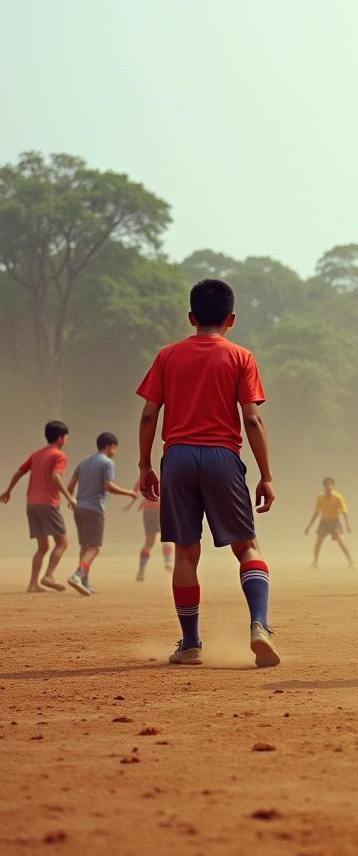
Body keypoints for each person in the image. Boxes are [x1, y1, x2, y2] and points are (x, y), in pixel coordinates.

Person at [136, 278, 280, 668]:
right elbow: (252, 419)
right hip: (222, 456)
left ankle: (191, 643)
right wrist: (265, 474)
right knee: (247, 546)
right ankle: (260, 626)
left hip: (178, 457)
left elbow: (150, 412)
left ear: (191, 317)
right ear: (231, 319)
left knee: (186, 552)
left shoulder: (167, 356)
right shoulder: (241, 357)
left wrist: (145, 464)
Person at [0, 420, 77, 593]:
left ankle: (33, 584)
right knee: (62, 543)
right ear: (60, 438)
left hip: (32, 504)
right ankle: (48, 575)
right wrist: (70, 497)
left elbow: (19, 472)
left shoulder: (36, 454)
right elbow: (56, 477)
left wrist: (8, 491)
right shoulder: (59, 455)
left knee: (43, 547)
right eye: (66, 437)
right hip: (48, 504)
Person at [65, 431, 135, 595]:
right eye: (115, 448)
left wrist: (72, 500)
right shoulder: (107, 463)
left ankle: (84, 582)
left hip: (79, 508)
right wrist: (129, 493)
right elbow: (108, 486)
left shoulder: (83, 463)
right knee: (95, 547)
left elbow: (70, 487)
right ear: (111, 446)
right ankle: (77, 575)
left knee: (85, 546)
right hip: (94, 508)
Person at [126, 485, 173, 581]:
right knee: (167, 537)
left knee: (149, 542)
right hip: (161, 508)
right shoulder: (166, 473)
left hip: (148, 510)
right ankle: (167, 561)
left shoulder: (143, 475)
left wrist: (130, 505)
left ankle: (141, 572)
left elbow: (138, 494)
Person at [305, 476, 354, 568]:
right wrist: (309, 526)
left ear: (332, 486)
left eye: (330, 484)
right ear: (323, 486)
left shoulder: (338, 497)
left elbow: (344, 511)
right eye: (326, 485)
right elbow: (316, 512)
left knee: (341, 541)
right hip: (324, 522)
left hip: (335, 522)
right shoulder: (320, 498)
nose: (328, 486)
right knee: (318, 542)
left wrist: (348, 525)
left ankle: (351, 562)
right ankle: (315, 563)